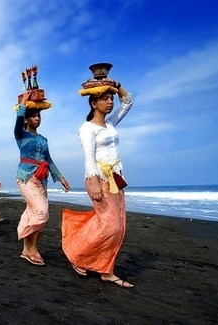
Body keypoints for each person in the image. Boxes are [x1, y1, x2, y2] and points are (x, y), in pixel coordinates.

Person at [61, 73, 134, 288]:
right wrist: (92, 181)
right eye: (105, 98)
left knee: (118, 226)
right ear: (94, 103)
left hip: (116, 178)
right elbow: (89, 157)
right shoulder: (87, 129)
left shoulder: (111, 123)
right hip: (99, 178)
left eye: (111, 98)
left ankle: (106, 270)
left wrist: (115, 85)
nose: (111, 102)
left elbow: (128, 102)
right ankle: (77, 254)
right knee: (109, 225)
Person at [14, 91, 70, 266]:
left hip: (42, 178)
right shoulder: (21, 135)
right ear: (27, 119)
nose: (38, 118)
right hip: (26, 177)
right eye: (34, 116)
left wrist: (60, 177)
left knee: (35, 213)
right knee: (41, 212)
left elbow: (49, 160)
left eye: (39, 116)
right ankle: (26, 239)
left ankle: (30, 250)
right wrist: (23, 103)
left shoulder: (44, 139)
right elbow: (17, 122)